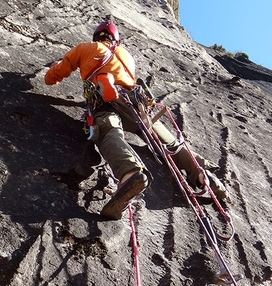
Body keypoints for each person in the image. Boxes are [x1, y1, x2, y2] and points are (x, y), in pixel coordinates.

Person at [44, 21, 227, 220]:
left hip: (106, 102)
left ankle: (130, 174)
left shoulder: (87, 48)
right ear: (115, 39)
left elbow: (56, 74)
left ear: (97, 37)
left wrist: (50, 74)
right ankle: (203, 175)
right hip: (136, 103)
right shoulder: (126, 56)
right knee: (168, 141)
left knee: (108, 132)